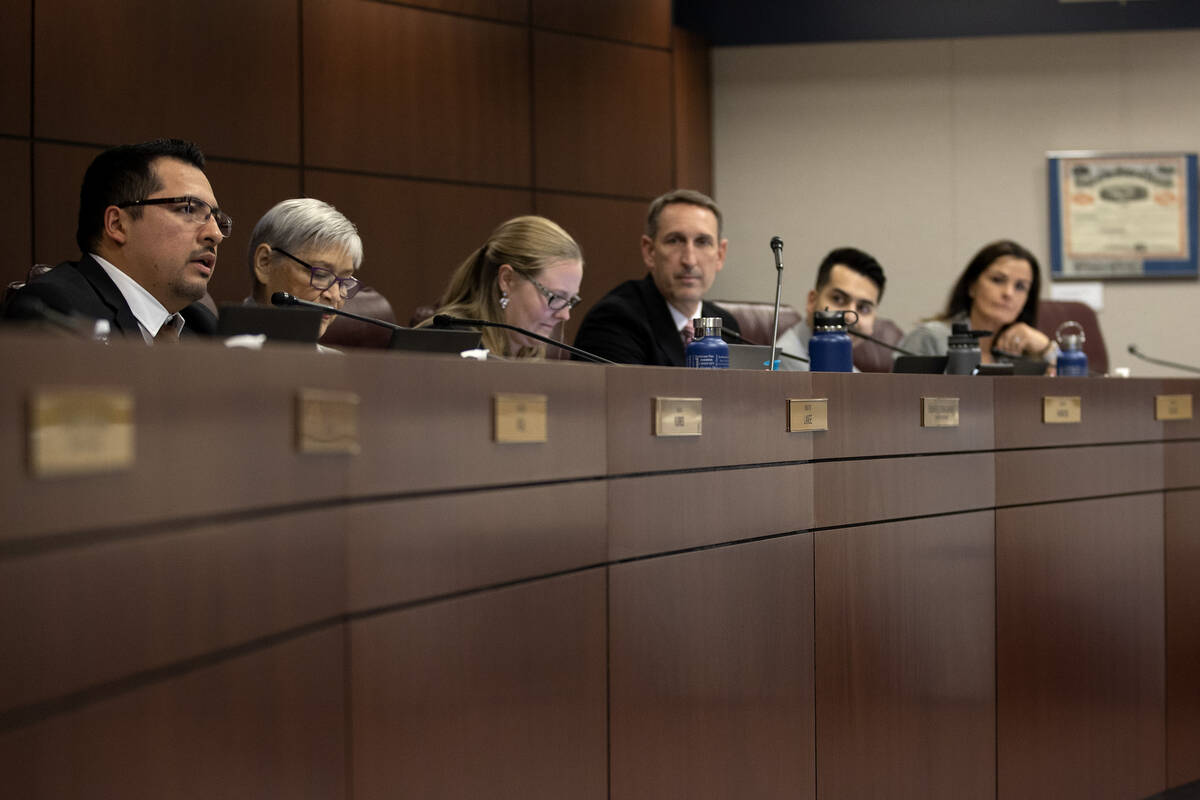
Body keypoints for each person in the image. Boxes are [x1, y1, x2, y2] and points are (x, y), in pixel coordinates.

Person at [2, 138, 223, 342]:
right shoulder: (56, 311)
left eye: (215, 218)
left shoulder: (202, 325)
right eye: (188, 209)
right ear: (117, 224)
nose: (215, 234)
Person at [571, 189, 739, 365]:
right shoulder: (615, 319)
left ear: (720, 255)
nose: (689, 260)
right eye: (675, 240)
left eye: (702, 242)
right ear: (649, 251)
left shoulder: (726, 326)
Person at [420, 215, 583, 358]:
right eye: (555, 296)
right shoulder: (445, 345)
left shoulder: (534, 355)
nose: (565, 315)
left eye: (571, 300)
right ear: (507, 280)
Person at [897, 239, 1055, 366]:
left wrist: (1046, 347)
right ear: (972, 286)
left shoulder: (1026, 350)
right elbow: (899, 398)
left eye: (1020, 287)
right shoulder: (931, 337)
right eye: (998, 280)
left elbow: (1071, 395)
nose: (1008, 293)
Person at [247, 198, 364, 340]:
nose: (334, 296)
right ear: (265, 263)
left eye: (344, 282)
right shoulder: (223, 353)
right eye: (321, 274)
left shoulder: (338, 361)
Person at [775, 247, 887, 371]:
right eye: (838, 299)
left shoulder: (852, 372)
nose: (850, 316)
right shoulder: (782, 364)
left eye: (863, 308)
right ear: (812, 301)